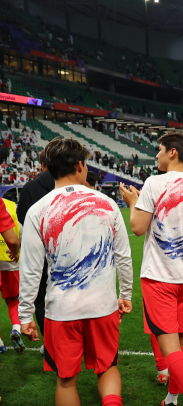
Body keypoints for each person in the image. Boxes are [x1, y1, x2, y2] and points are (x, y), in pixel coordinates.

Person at [19, 138, 133, 406]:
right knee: (108, 367)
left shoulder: (38, 210)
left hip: (61, 311)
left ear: (49, 168)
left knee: (66, 379)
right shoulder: (107, 204)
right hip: (102, 306)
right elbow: (124, 257)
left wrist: (25, 314)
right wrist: (125, 293)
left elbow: (31, 268)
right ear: (81, 165)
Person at [119, 132, 183, 406]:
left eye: (159, 150)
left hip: (160, 278)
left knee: (170, 350)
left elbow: (137, 227)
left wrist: (133, 203)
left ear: (173, 152)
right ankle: (171, 398)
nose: (156, 155)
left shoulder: (154, 183)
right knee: (181, 345)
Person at [16, 149, 54, 351]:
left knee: (41, 297)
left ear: (42, 164)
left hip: (40, 248)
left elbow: (23, 217)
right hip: (67, 249)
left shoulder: (31, 188)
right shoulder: (69, 186)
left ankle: (50, 343)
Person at [0, 197, 20, 355]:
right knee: (13, 299)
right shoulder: (10, 205)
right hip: (9, 260)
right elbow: (16, 234)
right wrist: (16, 251)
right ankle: (16, 328)